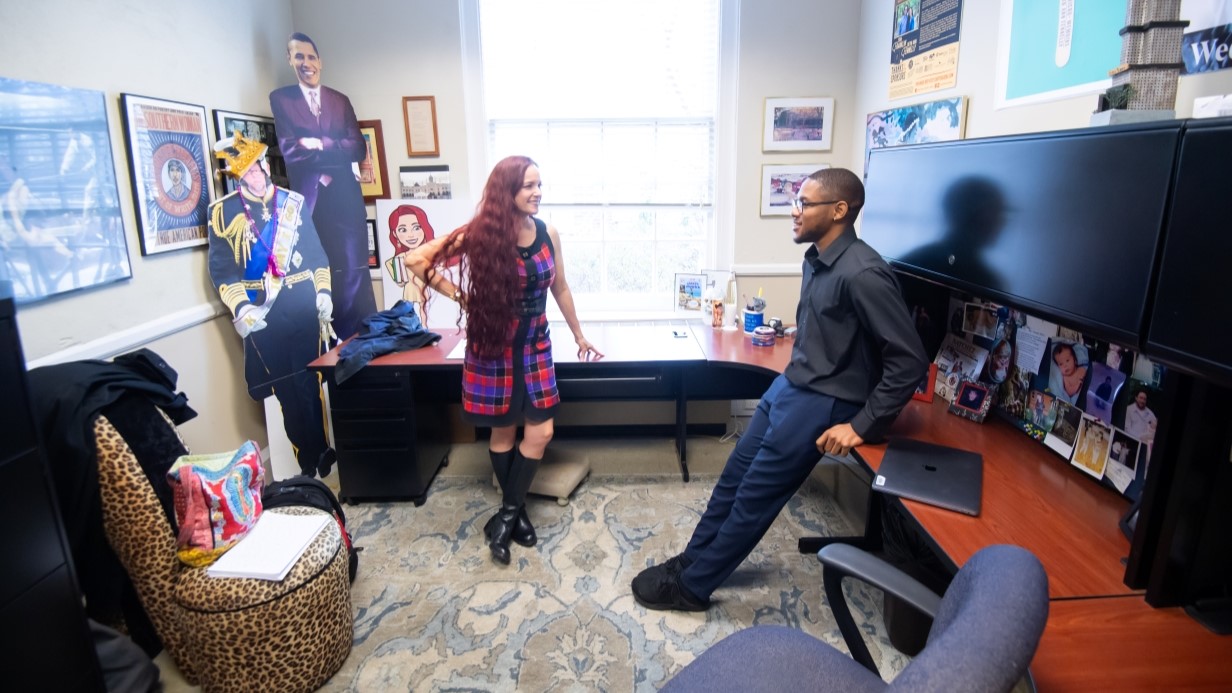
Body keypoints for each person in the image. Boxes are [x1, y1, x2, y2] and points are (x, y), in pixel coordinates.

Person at [631, 168, 927, 611]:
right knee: (732, 480)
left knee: (754, 498)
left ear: (839, 210)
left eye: (804, 203)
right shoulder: (819, 258)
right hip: (790, 385)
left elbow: (910, 361)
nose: (795, 211)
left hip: (824, 401)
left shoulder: (864, 272)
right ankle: (690, 562)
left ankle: (694, 588)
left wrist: (862, 425)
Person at [403, 155, 601, 565]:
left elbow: (560, 287)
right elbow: (416, 260)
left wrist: (580, 334)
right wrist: (464, 298)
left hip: (535, 344)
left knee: (540, 432)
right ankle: (518, 512)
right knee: (503, 435)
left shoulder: (548, 233)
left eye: (540, 185)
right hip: (492, 345)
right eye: (528, 185)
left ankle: (507, 514)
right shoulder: (482, 233)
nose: (537, 193)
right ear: (506, 190)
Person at [206, 131, 337, 479]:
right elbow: (221, 271)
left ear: (265, 164)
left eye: (258, 166)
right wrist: (242, 309)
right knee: (285, 392)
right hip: (263, 314)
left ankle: (322, 452)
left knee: (309, 385)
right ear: (238, 175)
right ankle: (305, 458)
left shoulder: (292, 203)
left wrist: (322, 292)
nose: (256, 173)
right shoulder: (222, 213)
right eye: (247, 171)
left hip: (301, 303)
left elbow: (316, 255)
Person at [270, 32, 377, 341]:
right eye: (299, 56)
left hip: (345, 196)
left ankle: (359, 338)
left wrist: (317, 142)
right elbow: (291, 151)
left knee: (354, 267)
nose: (306, 63)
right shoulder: (281, 99)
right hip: (311, 199)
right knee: (322, 270)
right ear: (290, 60)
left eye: (311, 57)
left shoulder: (339, 100)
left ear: (321, 61)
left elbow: (357, 148)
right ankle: (332, 342)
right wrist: (333, 149)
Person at [384, 203, 435, 309]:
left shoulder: (431, 255)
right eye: (403, 230)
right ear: (394, 234)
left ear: (424, 228)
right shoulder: (398, 260)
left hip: (429, 293)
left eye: (416, 227)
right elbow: (401, 283)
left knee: (425, 313)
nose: (411, 235)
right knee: (409, 315)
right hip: (409, 294)